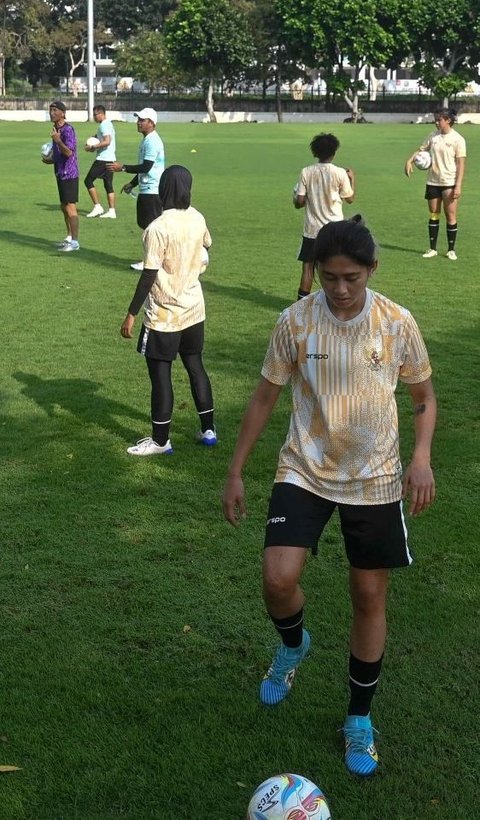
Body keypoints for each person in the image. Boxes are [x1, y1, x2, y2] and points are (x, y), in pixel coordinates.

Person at [222, 219, 436, 777]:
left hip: (376, 476)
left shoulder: (396, 323)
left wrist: (421, 458)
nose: (339, 288)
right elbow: (266, 396)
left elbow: (423, 398)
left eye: (351, 277)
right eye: (328, 276)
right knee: (278, 577)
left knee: (368, 594)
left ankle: (359, 718)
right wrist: (237, 470)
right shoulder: (294, 322)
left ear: (371, 270)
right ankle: (294, 644)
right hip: (306, 466)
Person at [120, 165, 216, 456]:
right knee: (195, 366)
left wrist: (131, 313)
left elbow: (149, 274)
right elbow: (208, 245)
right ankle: (208, 430)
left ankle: (161, 441)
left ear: (163, 189)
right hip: (194, 308)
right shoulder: (197, 217)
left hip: (164, 314)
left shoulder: (158, 227)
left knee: (160, 375)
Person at [294, 133, 355, 302]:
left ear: (315, 152)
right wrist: (352, 179)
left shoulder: (306, 172)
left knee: (307, 268)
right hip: (335, 229)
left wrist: (297, 198)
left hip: (312, 229)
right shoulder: (340, 173)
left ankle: (300, 306)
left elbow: (299, 202)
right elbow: (349, 198)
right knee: (335, 269)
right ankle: (334, 302)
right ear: (334, 152)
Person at [404, 108, 466, 261]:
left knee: (450, 215)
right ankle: (432, 249)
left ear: (448, 120)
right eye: (435, 119)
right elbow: (421, 149)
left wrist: (458, 185)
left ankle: (451, 250)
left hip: (449, 182)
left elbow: (461, 164)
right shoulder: (433, 136)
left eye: (439, 119)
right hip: (433, 181)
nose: (436, 122)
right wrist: (409, 160)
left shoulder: (458, 139)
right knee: (433, 214)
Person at [107, 107, 164, 270]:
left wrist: (122, 168)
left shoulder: (152, 141)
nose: (138, 123)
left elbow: (146, 167)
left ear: (152, 123)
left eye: (142, 120)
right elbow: (146, 169)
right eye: (138, 119)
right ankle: (151, 259)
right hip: (147, 189)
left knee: (151, 229)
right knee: (146, 226)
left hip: (152, 191)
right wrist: (132, 183)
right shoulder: (147, 139)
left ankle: (150, 261)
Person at [42, 101, 80, 252]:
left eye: (55, 110)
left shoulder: (68, 130)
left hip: (69, 173)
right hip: (60, 172)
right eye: (50, 110)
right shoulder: (55, 129)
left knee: (70, 207)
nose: (52, 113)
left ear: (63, 113)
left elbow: (69, 152)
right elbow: (59, 154)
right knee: (64, 206)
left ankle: (75, 242)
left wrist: (58, 140)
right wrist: (49, 160)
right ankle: (69, 237)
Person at [84, 105, 117, 219]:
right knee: (108, 185)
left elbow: (107, 141)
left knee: (88, 181)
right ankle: (112, 211)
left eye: (95, 114)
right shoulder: (108, 124)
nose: (94, 117)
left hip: (103, 159)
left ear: (101, 114)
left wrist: (93, 147)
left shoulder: (104, 125)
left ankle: (97, 206)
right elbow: (103, 137)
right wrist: (93, 138)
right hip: (111, 158)